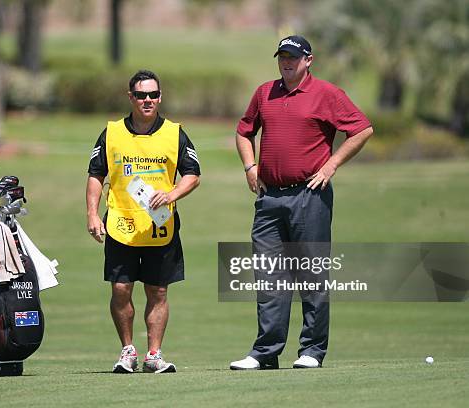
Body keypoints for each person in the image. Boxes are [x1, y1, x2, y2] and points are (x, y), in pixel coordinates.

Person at [230, 35, 373, 370]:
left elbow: (362, 129)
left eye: (293, 57)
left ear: (309, 60)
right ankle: (265, 353)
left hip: (310, 196)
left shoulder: (327, 94)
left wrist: (332, 164)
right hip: (269, 199)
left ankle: (312, 351)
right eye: (282, 56)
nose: (286, 62)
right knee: (269, 277)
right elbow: (243, 131)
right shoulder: (265, 92)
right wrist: (250, 167)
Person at [86, 70, 200, 374]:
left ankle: (154, 354)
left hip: (160, 228)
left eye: (152, 95)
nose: (147, 100)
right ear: (130, 97)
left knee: (158, 291)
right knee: (121, 289)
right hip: (120, 225)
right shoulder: (111, 133)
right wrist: (92, 214)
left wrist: (173, 193)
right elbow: (96, 175)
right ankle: (127, 351)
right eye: (140, 95)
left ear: (159, 97)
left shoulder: (175, 133)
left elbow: (193, 174)